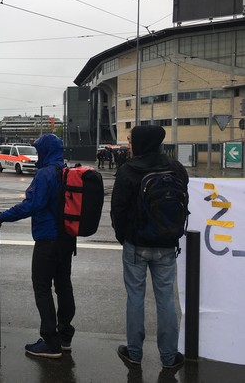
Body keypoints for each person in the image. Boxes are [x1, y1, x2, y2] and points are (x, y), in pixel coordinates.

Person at [0, 134, 75, 359]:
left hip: (48, 239)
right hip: (67, 240)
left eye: (39, 149)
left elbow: (32, 205)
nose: (37, 154)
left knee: (42, 288)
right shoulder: (65, 170)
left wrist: (1, 217)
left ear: (46, 150)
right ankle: (65, 337)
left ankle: (50, 342)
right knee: (63, 286)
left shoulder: (45, 174)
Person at [111, 125, 188, 369]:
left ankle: (134, 352)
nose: (129, 144)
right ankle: (169, 357)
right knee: (165, 298)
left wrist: (123, 237)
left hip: (136, 243)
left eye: (131, 140)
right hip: (166, 243)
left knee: (135, 297)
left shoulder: (128, 170)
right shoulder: (175, 168)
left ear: (141, 142)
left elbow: (118, 210)